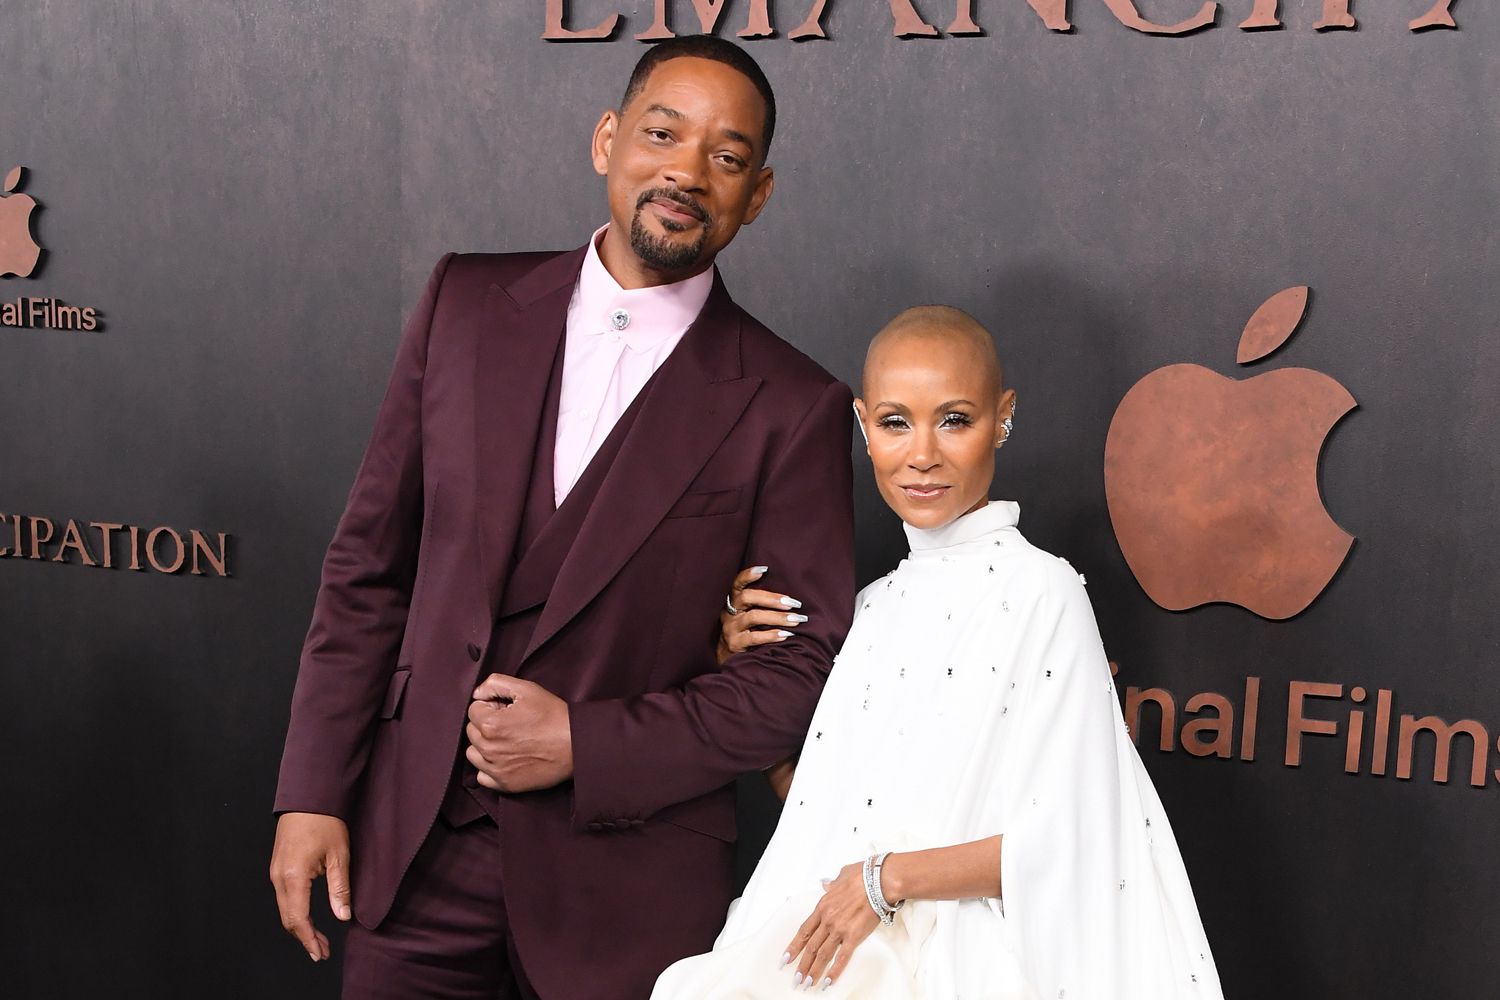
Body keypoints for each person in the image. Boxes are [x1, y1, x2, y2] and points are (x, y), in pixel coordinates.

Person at [268, 36, 856, 1000]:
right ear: (607, 140)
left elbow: (799, 674)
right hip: (413, 856)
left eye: (727, 155)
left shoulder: (792, 401)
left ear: (759, 194)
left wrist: (590, 743)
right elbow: (370, 568)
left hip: (630, 894)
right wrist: (311, 791)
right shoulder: (463, 300)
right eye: (663, 133)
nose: (686, 171)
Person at [653, 306, 1224, 999]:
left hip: (963, 957)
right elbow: (822, 807)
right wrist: (733, 668)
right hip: (839, 942)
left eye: (954, 419)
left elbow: (1071, 842)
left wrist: (886, 879)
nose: (922, 453)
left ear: (1002, 417)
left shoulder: (1041, 591)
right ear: (864, 426)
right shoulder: (871, 607)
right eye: (896, 422)